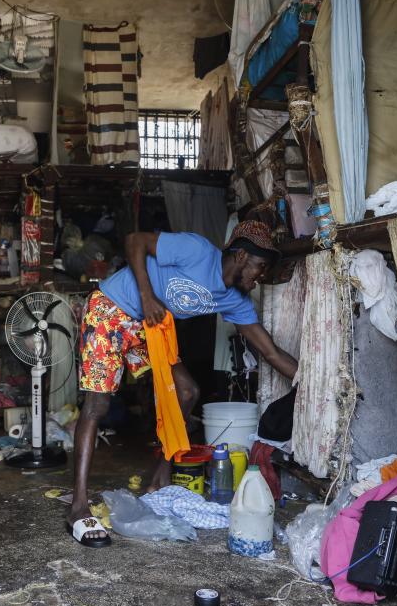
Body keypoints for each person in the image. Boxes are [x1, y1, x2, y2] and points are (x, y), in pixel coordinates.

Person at [66, 220, 298, 547]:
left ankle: (159, 474)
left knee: (188, 391)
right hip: (111, 309)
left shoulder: (236, 301)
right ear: (242, 256)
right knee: (97, 405)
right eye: (259, 268)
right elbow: (134, 239)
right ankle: (78, 505)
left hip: (151, 330)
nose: (259, 278)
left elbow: (270, 351)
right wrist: (147, 297)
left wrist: (308, 381)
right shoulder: (197, 251)